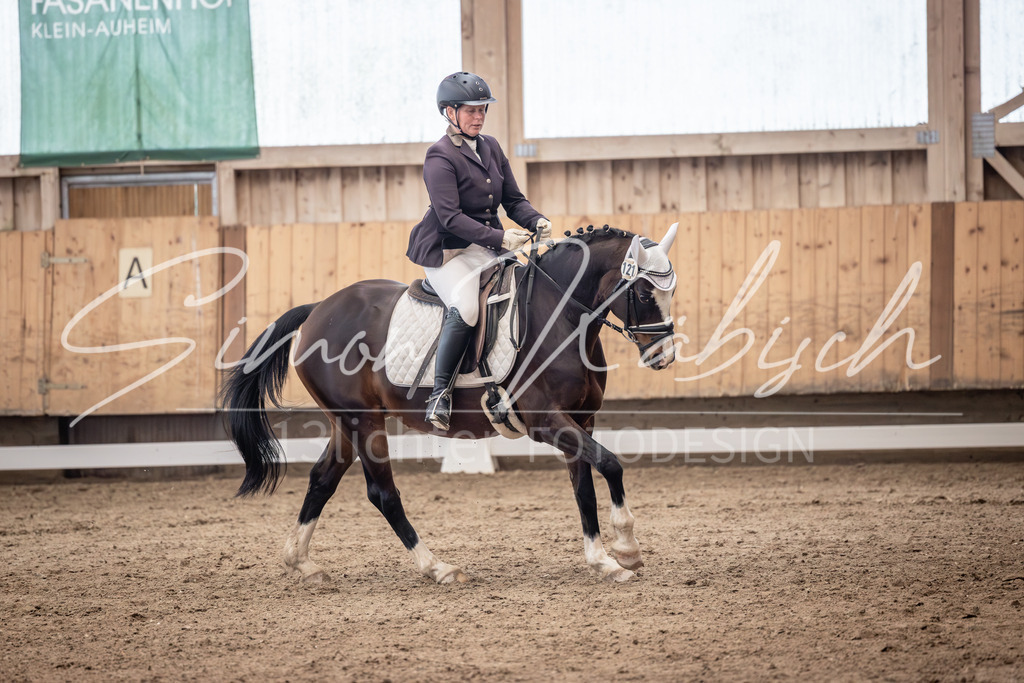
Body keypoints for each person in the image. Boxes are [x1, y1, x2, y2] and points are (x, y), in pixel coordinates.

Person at [406, 71, 552, 431]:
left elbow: (513, 200)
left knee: (528, 292)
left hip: (487, 246)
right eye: (471, 111)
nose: (479, 117)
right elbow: (450, 217)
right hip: (449, 251)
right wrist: (500, 239)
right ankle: (440, 394)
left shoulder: (490, 146)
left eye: (482, 110)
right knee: (468, 306)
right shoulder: (438, 156)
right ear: (449, 113)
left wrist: (536, 221)